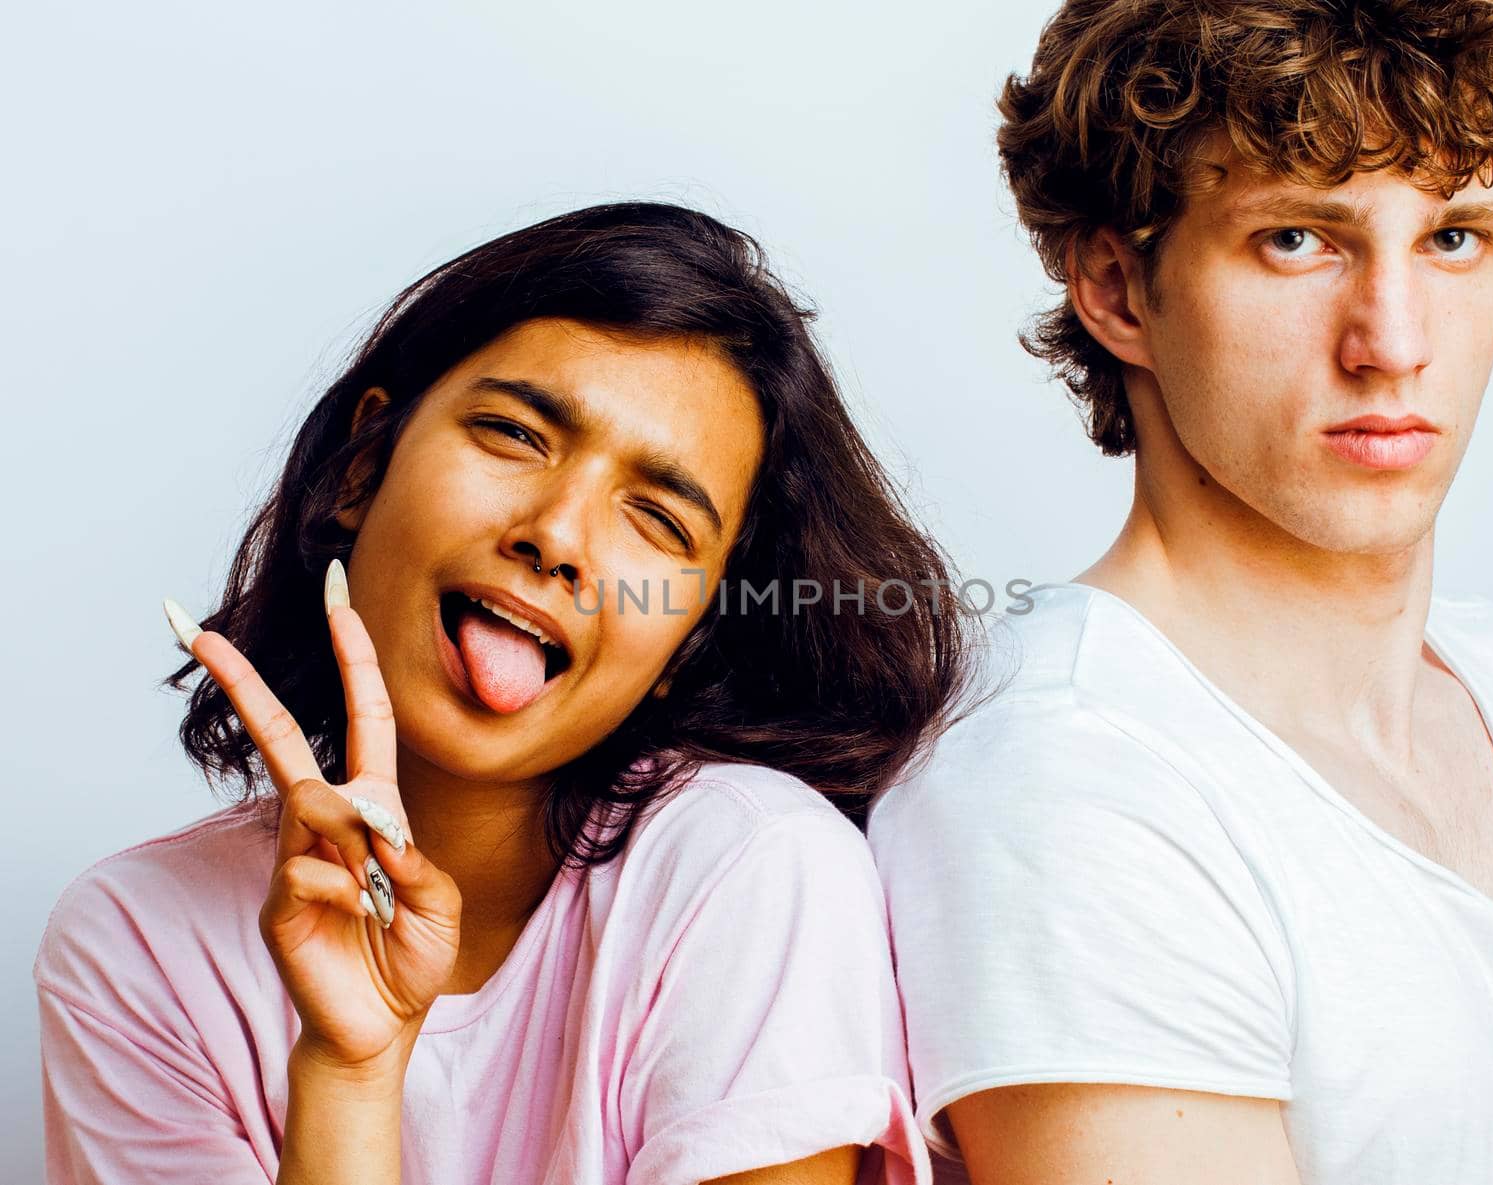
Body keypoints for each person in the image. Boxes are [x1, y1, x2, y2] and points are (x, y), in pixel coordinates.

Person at [34, 201, 976, 1184]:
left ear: (685, 639)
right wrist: (351, 1075)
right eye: (514, 434)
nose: (557, 535)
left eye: (654, 516)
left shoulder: (748, 869)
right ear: (363, 467)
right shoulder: (136, 941)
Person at [867, 2, 1493, 1183]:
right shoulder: (1062, 795)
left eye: (1454, 238)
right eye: (1300, 240)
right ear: (1116, 289)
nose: (1392, 343)